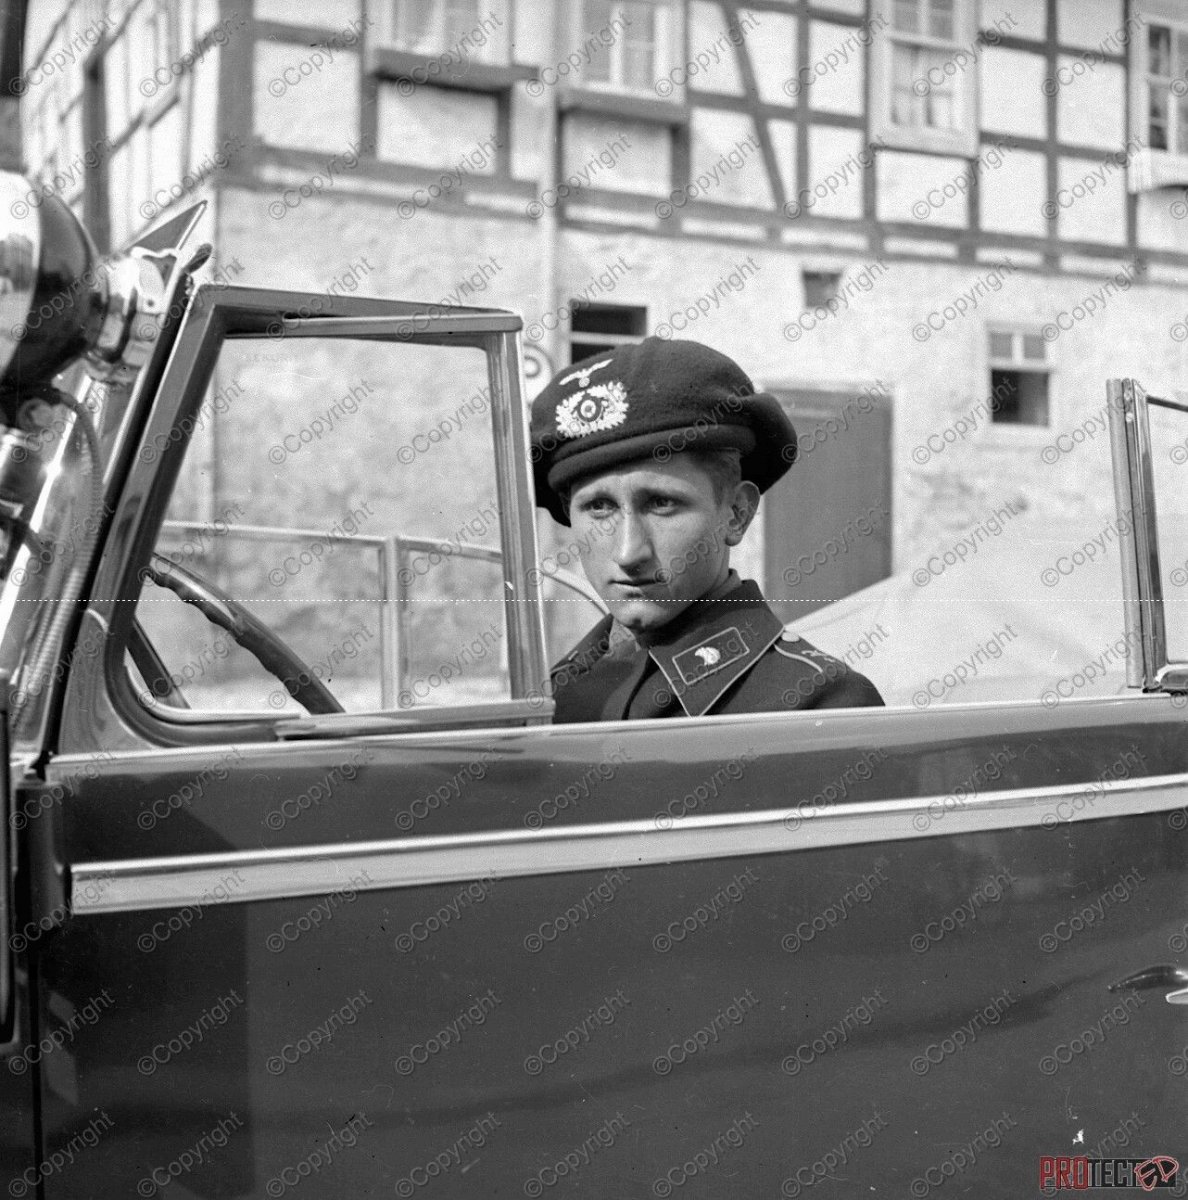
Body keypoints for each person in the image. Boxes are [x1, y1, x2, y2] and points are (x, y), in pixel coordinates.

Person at [529, 336, 884, 723]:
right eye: (599, 507)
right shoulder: (554, 699)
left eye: (661, 503)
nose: (628, 553)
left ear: (736, 513)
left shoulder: (819, 705)